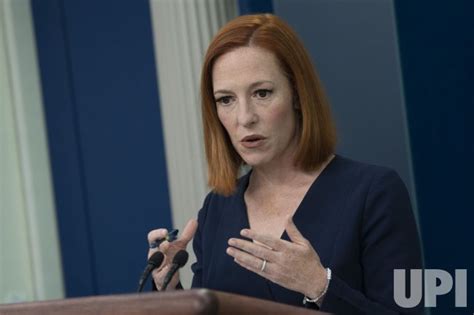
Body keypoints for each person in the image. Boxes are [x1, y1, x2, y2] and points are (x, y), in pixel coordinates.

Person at [147, 14, 423, 314]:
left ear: (296, 94)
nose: (244, 117)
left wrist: (320, 286)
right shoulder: (217, 208)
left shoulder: (374, 192)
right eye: (226, 99)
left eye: (262, 93)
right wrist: (169, 289)